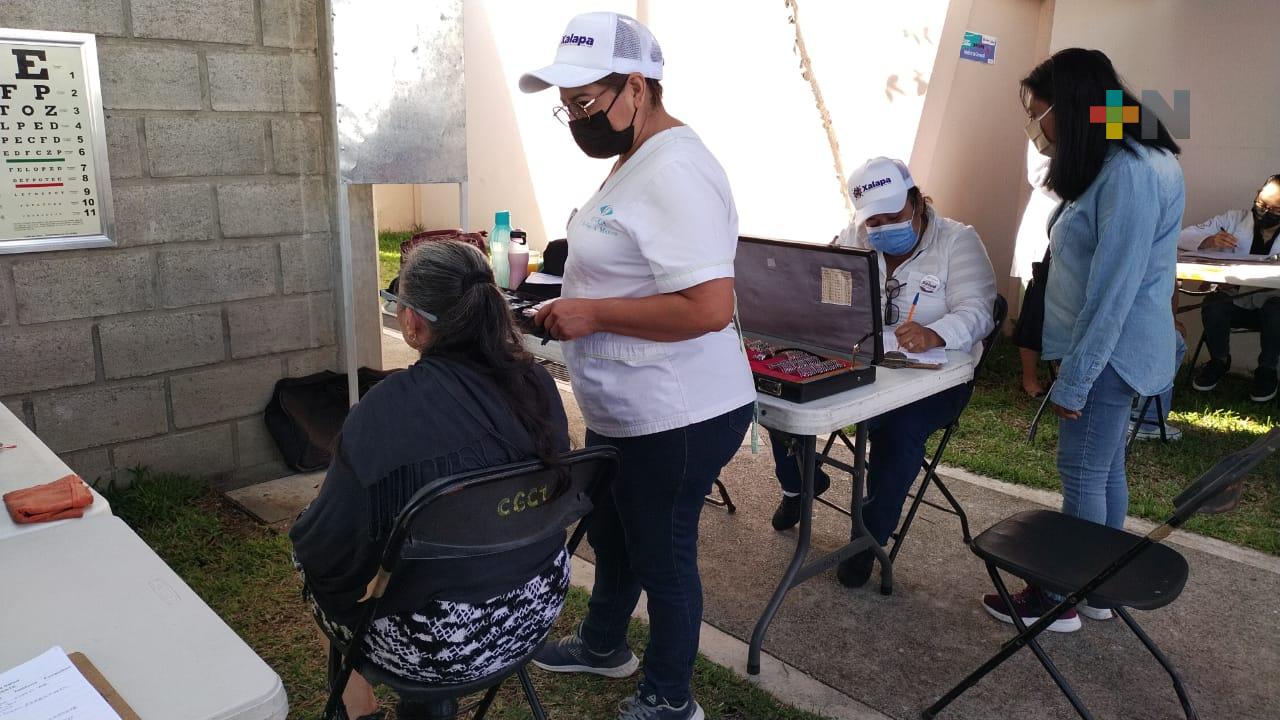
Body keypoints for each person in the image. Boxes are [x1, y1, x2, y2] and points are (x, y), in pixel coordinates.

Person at [520, 13, 755, 720]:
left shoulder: (677, 167)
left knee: (664, 556)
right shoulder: (635, 156)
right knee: (615, 533)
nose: (577, 119)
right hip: (626, 402)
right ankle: (602, 647)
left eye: (586, 103)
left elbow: (710, 306)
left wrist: (593, 315)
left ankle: (669, 698)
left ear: (637, 86)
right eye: (566, 109)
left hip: (678, 411)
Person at [290, 241, 572, 720]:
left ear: (413, 323)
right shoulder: (537, 384)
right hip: (536, 606)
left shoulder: (388, 409)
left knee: (306, 557)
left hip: (436, 645)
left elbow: (322, 549)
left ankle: (359, 710)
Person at [983, 48, 1184, 633]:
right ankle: (1099, 591)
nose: (1037, 126)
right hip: (1114, 349)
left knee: (1081, 474)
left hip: (1108, 353)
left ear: (1070, 108)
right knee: (1102, 470)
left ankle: (1060, 599)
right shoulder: (1129, 153)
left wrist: (1075, 378)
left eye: (1040, 112)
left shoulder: (1129, 171)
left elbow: (1113, 292)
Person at [768, 156, 996, 588]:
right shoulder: (855, 237)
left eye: (894, 217)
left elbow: (979, 311)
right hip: (862, 360)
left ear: (917, 202)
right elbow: (818, 293)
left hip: (934, 376)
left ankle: (867, 537)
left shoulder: (957, 241)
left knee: (898, 429)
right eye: (874, 220)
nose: (882, 228)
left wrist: (936, 333)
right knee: (782, 391)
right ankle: (800, 485)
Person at [1186, 174, 1280, 402]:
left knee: (1276, 310)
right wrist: (1210, 241)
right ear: (1257, 193)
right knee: (1214, 304)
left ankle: (1267, 370)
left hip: (1272, 310)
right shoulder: (1233, 219)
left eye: (1275, 209)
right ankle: (1219, 360)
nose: (1265, 212)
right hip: (1235, 302)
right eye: (1261, 204)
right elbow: (1183, 237)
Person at [1011, 144, 1059, 398]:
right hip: (1050, 218)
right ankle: (1029, 377)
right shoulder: (1049, 114)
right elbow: (1040, 175)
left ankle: (1062, 372)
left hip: (1087, 224)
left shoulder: (1112, 104)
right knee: (1035, 305)